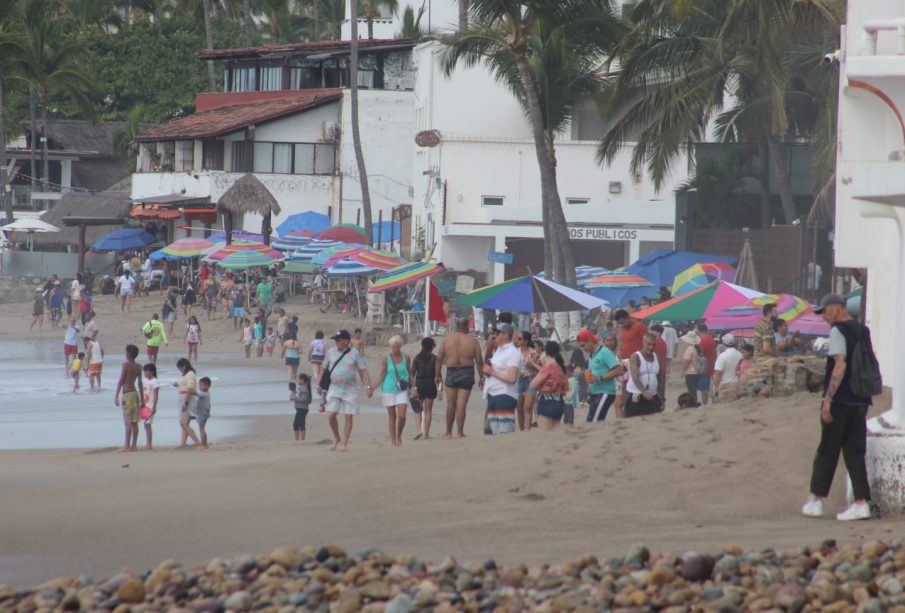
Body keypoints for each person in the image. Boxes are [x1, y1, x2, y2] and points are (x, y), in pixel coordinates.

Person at [803, 293, 875, 521]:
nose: (823, 316)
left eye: (824, 311)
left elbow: (840, 365)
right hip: (860, 399)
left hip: (840, 400)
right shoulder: (863, 330)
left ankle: (816, 500)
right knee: (855, 452)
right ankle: (861, 503)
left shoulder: (837, 331)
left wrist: (827, 399)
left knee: (827, 450)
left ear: (836, 308)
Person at [322, 329, 373, 451]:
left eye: (338, 340)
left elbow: (363, 370)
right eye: (335, 340)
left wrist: (368, 387)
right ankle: (337, 437)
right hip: (334, 388)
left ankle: (344, 443)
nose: (336, 342)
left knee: (348, 416)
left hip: (350, 390)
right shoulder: (330, 352)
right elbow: (324, 369)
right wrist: (320, 385)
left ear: (346, 341)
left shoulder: (354, 353)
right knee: (331, 415)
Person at [435, 317, 483, 438]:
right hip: (466, 371)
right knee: (461, 403)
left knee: (451, 404)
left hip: (451, 371)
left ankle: (448, 432)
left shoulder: (447, 340)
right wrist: (482, 377)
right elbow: (479, 361)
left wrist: (437, 374)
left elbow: (439, 358)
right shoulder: (473, 341)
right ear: (467, 327)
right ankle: (460, 432)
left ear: (456, 327)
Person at [482, 323, 523, 435]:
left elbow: (511, 378)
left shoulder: (512, 352)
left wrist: (492, 372)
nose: (495, 336)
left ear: (505, 335)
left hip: (504, 395)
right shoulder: (500, 350)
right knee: (494, 431)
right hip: (493, 393)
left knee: (505, 432)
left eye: (498, 333)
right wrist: (488, 371)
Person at [578, 329, 623, 422]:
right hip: (595, 393)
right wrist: (589, 383)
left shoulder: (604, 352)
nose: (583, 349)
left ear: (590, 341)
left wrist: (600, 378)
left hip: (605, 392)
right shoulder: (591, 355)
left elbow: (618, 370)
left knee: (595, 421)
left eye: (583, 345)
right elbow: (593, 371)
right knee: (591, 421)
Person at [375, 335, 411, 447]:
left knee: (402, 415)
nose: (396, 350)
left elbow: (410, 374)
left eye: (397, 347)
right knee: (392, 416)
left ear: (400, 347)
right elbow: (382, 374)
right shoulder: (386, 358)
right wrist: (372, 387)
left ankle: (399, 434)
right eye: (394, 348)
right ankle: (393, 440)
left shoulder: (406, 357)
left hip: (402, 389)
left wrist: (414, 388)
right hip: (388, 389)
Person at [529, 341, 569, 429]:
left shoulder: (548, 367)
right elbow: (566, 388)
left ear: (546, 352)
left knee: (545, 436)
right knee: (555, 435)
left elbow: (533, 385)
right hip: (559, 402)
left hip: (546, 402)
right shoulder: (562, 368)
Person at [624, 333, 664, 418]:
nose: (651, 347)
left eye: (653, 345)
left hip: (652, 395)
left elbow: (660, 379)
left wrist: (662, 397)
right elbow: (635, 377)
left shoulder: (657, 357)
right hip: (636, 395)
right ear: (643, 343)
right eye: (648, 344)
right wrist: (644, 392)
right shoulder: (636, 356)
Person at [114, 344, 144, 452]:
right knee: (134, 421)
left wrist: (116, 395)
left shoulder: (126, 365)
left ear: (129, 354)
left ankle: (126, 445)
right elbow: (140, 383)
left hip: (127, 394)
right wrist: (143, 399)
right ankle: (134, 445)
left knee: (127, 421)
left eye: (126, 352)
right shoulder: (138, 366)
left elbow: (121, 380)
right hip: (135, 394)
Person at [411, 337, 440, 440]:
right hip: (430, 384)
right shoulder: (435, 358)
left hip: (419, 383)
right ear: (432, 347)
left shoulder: (417, 358)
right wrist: (440, 390)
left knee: (418, 409)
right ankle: (426, 434)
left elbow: (412, 374)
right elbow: (438, 376)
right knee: (428, 411)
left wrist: (413, 388)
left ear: (422, 346)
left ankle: (419, 430)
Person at [515, 331, 541, 431]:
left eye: (520, 339)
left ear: (526, 341)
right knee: (519, 408)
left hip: (530, 380)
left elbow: (540, 367)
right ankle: (522, 429)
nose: (518, 340)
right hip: (519, 381)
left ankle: (527, 430)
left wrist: (532, 365)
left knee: (527, 407)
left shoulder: (533, 353)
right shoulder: (516, 352)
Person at [174, 358, 200, 447]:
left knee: (183, 424)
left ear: (184, 366)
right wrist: (178, 385)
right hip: (187, 400)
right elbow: (186, 387)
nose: (180, 370)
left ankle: (197, 442)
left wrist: (185, 402)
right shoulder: (189, 375)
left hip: (188, 401)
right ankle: (183, 443)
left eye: (180, 368)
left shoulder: (190, 374)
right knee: (185, 424)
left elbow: (190, 388)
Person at [713, 333, 743, 401]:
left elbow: (718, 373)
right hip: (737, 384)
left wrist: (715, 387)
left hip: (724, 385)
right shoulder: (740, 354)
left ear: (724, 343)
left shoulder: (723, 356)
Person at [681, 329, 705, 405]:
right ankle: (694, 403)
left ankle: (693, 404)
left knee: (691, 391)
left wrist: (683, 371)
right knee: (693, 390)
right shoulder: (697, 349)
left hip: (691, 373)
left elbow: (686, 362)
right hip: (697, 372)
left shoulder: (689, 349)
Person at [697, 324, 717, 406]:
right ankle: (705, 403)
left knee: (704, 388)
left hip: (704, 367)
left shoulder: (702, 341)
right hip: (711, 364)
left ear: (699, 331)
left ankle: (704, 404)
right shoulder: (711, 339)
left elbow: (700, 354)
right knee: (707, 386)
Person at [140, 363, 159, 449]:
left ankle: (149, 444)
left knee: (148, 424)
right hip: (144, 405)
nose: (145, 373)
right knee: (145, 424)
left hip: (150, 405)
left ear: (152, 372)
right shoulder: (144, 380)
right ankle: (148, 443)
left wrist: (154, 407)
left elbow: (155, 396)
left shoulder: (155, 381)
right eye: (145, 371)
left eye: (147, 371)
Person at [290, 374, 312, 441]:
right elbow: (291, 398)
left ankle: (302, 440)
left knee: (301, 424)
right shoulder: (300, 389)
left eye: (298, 379)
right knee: (295, 424)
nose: (297, 381)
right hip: (299, 409)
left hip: (303, 409)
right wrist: (292, 390)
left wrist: (295, 398)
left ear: (302, 380)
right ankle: (296, 440)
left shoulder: (305, 389)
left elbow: (304, 399)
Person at [195, 377, 212, 448]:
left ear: (207, 386)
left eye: (201, 385)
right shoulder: (205, 393)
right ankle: (204, 444)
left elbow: (195, 393)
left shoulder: (204, 394)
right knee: (202, 429)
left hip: (203, 413)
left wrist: (185, 391)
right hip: (204, 413)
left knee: (201, 429)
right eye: (199, 385)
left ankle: (204, 444)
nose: (200, 387)